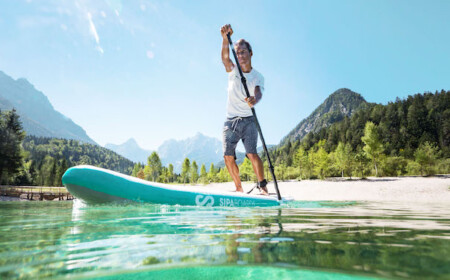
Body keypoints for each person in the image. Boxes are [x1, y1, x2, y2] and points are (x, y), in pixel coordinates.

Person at [220, 24, 268, 195]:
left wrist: (255, 99)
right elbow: (225, 58)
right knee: (227, 156)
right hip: (231, 120)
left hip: (248, 120)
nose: (240, 55)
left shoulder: (257, 76)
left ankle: (262, 186)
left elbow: (259, 92)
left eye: (243, 52)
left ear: (250, 53)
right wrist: (225, 38)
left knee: (252, 154)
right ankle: (238, 188)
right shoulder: (232, 70)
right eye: (237, 52)